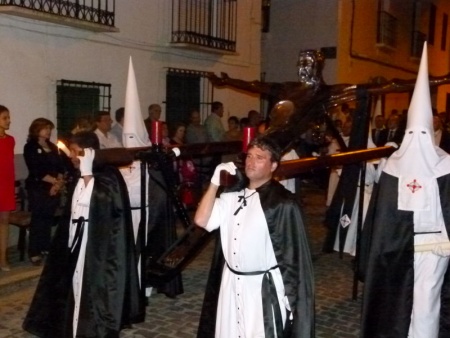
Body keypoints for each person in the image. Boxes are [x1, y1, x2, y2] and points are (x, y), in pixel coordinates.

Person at [359, 44, 450, 338]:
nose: (417, 139)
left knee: (426, 303)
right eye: (413, 133)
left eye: (421, 132)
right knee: (398, 301)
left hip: (437, 246)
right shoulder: (393, 166)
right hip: (399, 247)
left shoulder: (446, 164)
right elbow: (382, 215)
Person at [23, 131, 144, 338]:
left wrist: (88, 173)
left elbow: (100, 203)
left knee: (90, 287)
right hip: (76, 237)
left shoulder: (108, 175)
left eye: (75, 152)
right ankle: (71, 324)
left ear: (88, 153)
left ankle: (90, 326)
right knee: (70, 283)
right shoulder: (80, 174)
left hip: (95, 242)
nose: (71, 156)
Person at [195, 136, 314, 337]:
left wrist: (290, 300)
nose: (251, 162)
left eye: (259, 158)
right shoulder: (231, 196)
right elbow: (201, 220)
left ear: (273, 165)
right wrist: (214, 184)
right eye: (249, 156)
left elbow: (293, 257)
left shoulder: (283, 203)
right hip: (230, 284)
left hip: (263, 289)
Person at [24, 118, 65, 265]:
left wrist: (58, 184)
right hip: (38, 188)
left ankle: (45, 246)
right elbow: (36, 170)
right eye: (45, 128)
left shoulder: (52, 146)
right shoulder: (30, 147)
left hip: (53, 188)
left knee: (48, 218)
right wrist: (54, 182)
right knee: (38, 219)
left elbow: (61, 167)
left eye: (50, 128)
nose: (48, 131)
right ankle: (34, 251)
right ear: (36, 129)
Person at [0, 105, 14, 271]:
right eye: (5, 118)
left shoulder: (10, 140)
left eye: (8, 117)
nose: (9, 120)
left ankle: (3, 259)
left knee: (4, 222)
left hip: (6, 185)